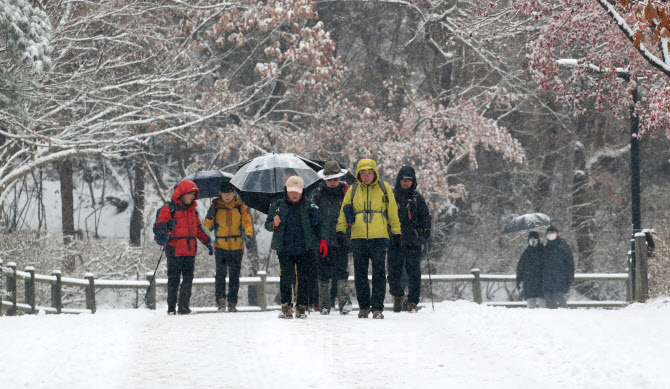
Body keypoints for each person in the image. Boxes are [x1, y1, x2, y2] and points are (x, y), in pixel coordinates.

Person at [337, 159, 401, 319]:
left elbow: (392, 211)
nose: (366, 176)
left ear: (375, 173)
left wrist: (396, 231)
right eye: (363, 173)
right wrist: (340, 229)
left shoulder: (384, 188)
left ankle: (377, 307)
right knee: (360, 274)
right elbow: (344, 211)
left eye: (369, 172)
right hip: (358, 237)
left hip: (379, 237)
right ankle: (364, 307)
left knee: (379, 273)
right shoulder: (353, 190)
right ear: (359, 174)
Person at [265, 176, 324, 319]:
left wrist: (317, 226)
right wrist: (275, 223)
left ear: (302, 191)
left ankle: (301, 307)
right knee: (285, 278)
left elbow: (318, 227)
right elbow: (268, 225)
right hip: (285, 249)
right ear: (286, 190)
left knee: (304, 278)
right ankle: (286, 307)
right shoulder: (278, 205)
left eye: (297, 190)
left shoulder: (309, 206)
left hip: (305, 248)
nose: (294, 194)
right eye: (291, 190)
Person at [154, 180, 213, 315]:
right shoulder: (168, 208)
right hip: (174, 249)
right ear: (181, 194)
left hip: (190, 250)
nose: (192, 197)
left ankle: (183, 307)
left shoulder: (193, 211)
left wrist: (207, 242)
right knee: (173, 279)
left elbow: (198, 230)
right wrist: (168, 225)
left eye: (193, 194)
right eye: (189, 194)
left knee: (188, 278)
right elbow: (159, 227)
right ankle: (171, 308)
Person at [310, 161, 353, 315]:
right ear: (325, 179)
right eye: (330, 179)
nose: (333, 182)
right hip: (323, 239)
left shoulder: (347, 193)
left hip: (342, 237)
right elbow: (313, 218)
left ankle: (344, 302)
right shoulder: (317, 194)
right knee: (323, 273)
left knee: (342, 272)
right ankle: (325, 304)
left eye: (335, 179)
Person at [204, 181, 253, 313]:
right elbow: (207, 225)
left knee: (234, 275)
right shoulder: (215, 206)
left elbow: (247, 222)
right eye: (224, 193)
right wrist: (209, 218)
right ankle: (220, 301)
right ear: (220, 193)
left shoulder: (240, 206)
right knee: (220, 274)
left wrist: (248, 235)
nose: (227, 196)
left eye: (230, 193)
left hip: (237, 245)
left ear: (234, 192)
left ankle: (232, 303)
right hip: (220, 245)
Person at [387, 166, 431, 313]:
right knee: (393, 271)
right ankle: (398, 295)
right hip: (394, 238)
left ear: (413, 182)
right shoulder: (391, 197)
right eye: (403, 180)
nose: (406, 183)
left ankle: (412, 301)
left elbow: (425, 216)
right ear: (399, 180)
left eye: (409, 181)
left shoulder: (417, 198)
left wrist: (425, 229)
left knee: (414, 272)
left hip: (413, 239)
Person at [542, 226, 575, 309]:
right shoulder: (546, 247)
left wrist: (569, 278)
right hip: (547, 279)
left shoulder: (563, 246)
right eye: (548, 233)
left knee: (560, 297)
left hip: (560, 278)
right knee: (548, 299)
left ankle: (564, 316)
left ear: (557, 234)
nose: (550, 235)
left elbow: (570, 264)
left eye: (552, 233)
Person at [516, 231, 545, 309]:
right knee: (530, 307)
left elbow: (548, 267)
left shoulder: (543, 251)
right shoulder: (526, 253)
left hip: (541, 282)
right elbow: (520, 268)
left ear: (538, 239)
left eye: (534, 238)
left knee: (544, 307)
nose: (532, 240)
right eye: (530, 238)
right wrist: (518, 280)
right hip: (529, 283)